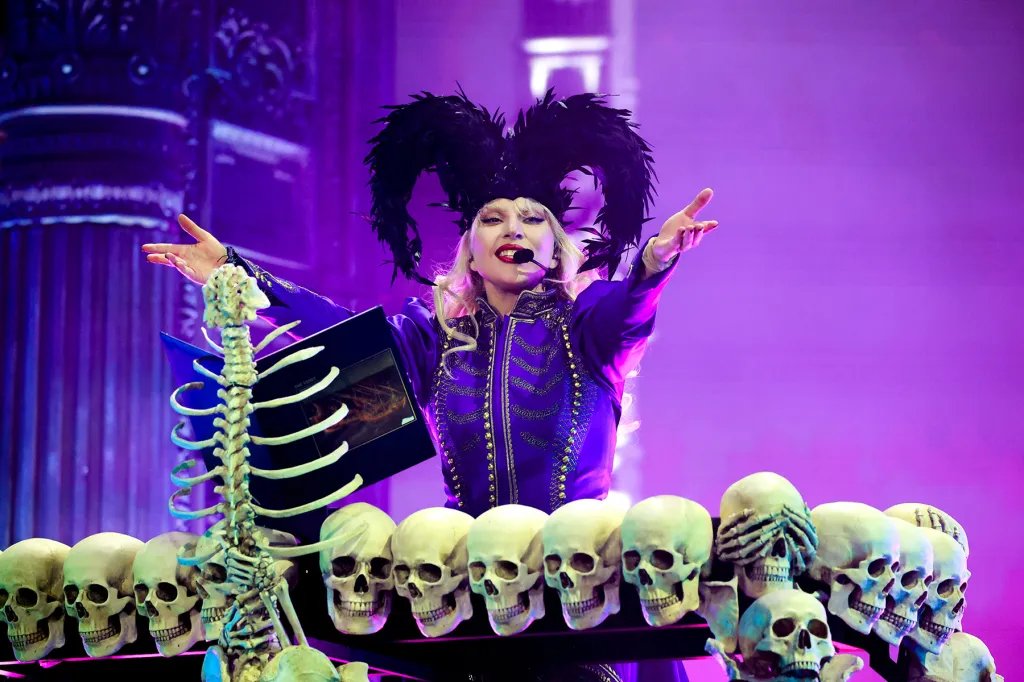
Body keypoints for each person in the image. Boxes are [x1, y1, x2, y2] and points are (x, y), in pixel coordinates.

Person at [143, 91, 719, 518]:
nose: (512, 229)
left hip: (576, 573)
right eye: (492, 218)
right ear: (471, 249)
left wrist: (656, 259)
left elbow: (632, 312)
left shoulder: (588, 325)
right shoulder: (435, 339)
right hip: (464, 577)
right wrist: (235, 272)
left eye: (531, 218)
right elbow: (341, 334)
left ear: (555, 246)